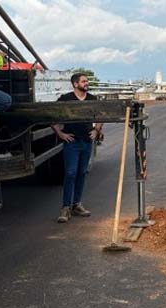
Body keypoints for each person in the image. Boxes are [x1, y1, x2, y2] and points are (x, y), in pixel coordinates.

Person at [53, 72, 103, 223]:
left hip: (87, 141)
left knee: (81, 172)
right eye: (83, 81)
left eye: (87, 81)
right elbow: (50, 115)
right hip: (71, 142)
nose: (86, 83)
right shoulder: (65, 99)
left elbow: (102, 116)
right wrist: (59, 133)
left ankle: (76, 204)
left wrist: (97, 130)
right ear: (75, 84)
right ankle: (65, 207)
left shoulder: (92, 99)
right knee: (70, 173)